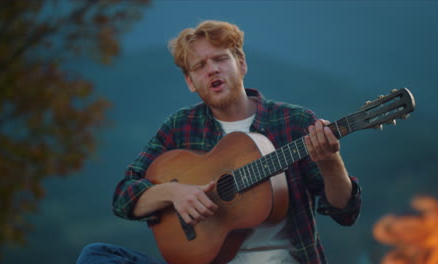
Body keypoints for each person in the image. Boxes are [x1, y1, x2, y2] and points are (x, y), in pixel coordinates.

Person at [76, 20, 361, 264]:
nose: (212, 69)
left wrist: (330, 161)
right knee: (96, 256)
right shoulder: (180, 126)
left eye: (220, 59)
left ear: (241, 63)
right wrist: (174, 194)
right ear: (190, 82)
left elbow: (344, 212)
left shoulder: (294, 122)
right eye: (199, 66)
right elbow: (123, 197)